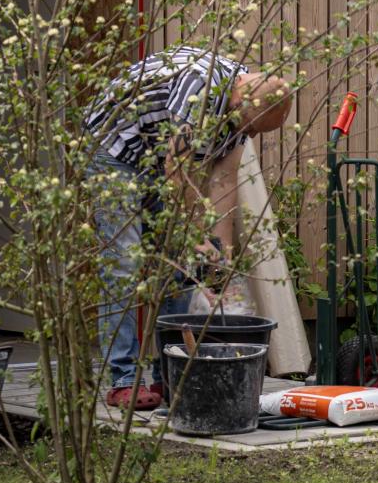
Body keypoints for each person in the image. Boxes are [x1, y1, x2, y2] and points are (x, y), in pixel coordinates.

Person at [83, 45, 291, 411]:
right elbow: (175, 168)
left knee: (180, 266)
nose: (250, 135)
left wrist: (219, 248)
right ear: (241, 101)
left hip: (156, 158)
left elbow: (225, 178)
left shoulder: (242, 112)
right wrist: (193, 235)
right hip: (114, 150)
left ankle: (168, 373)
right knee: (125, 265)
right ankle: (123, 379)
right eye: (251, 127)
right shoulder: (201, 88)